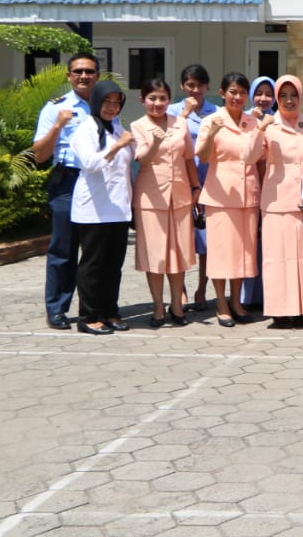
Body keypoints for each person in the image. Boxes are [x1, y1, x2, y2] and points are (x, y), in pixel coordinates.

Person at [32, 52, 99, 329]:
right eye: (78, 71)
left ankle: (94, 308)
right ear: (68, 76)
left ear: (97, 75)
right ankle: (57, 309)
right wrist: (59, 125)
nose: (84, 76)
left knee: (95, 250)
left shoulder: (106, 104)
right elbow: (39, 155)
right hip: (67, 183)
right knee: (64, 249)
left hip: (97, 182)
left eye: (89, 71)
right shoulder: (55, 109)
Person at [252, 75, 303, 328]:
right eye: (283, 96)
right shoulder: (268, 125)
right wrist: (259, 128)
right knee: (276, 259)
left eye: (293, 95)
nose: (289, 100)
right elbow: (249, 157)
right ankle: (279, 311)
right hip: (276, 202)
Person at [69, 80, 135, 334]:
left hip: (118, 208)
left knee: (113, 265)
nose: (112, 107)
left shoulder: (116, 126)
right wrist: (117, 146)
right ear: (96, 101)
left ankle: (110, 311)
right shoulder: (84, 129)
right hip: (93, 210)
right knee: (92, 264)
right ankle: (88, 316)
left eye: (117, 102)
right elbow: (90, 163)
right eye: (107, 101)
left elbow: (128, 162)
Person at [195, 72, 260, 327]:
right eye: (233, 92)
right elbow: (202, 156)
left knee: (242, 253)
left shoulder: (251, 121)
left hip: (247, 194)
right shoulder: (211, 120)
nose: (237, 97)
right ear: (222, 93)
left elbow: (257, 154)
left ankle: (236, 301)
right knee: (222, 253)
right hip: (221, 195)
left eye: (242, 93)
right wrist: (212, 133)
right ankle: (221, 302)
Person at [132, 78, 198, 328]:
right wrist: (156, 142)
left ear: (169, 101)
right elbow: (142, 159)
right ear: (143, 100)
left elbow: (189, 158)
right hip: (151, 197)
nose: (157, 103)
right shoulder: (138, 126)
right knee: (155, 254)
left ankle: (178, 306)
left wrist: (195, 187)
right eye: (152, 98)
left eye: (162, 98)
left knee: (179, 252)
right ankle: (158, 306)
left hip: (180, 194)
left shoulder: (180, 123)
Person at [171, 63, 218, 311]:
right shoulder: (171, 112)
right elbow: (169, 138)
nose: (195, 90)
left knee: (206, 243)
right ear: (182, 86)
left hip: (209, 185)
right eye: (190, 85)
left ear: (207, 86)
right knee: (180, 241)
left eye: (199, 85)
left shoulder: (216, 112)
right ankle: (182, 291)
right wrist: (183, 116)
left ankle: (202, 288)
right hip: (180, 185)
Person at [240, 76, 276, 308]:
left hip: (272, 190)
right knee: (248, 243)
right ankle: (245, 296)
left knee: (268, 245)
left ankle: (266, 295)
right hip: (247, 188)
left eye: (268, 94)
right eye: (258, 93)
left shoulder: (279, 121)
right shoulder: (243, 120)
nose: (263, 98)